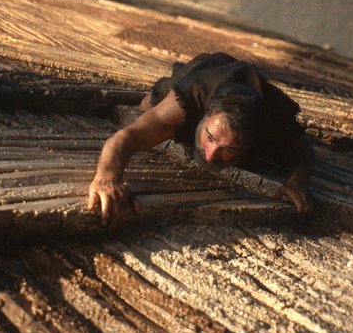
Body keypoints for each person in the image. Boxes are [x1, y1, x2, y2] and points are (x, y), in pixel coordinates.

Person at [86, 52, 315, 228]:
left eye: (230, 148)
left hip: (252, 90)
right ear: (204, 115)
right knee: (148, 104)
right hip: (203, 71)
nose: (210, 155)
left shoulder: (274, 124)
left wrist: (298, 182)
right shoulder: (187, 100)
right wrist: (107, 177)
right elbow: (127, 137)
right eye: (210, 136)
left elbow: (305, 148)